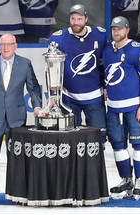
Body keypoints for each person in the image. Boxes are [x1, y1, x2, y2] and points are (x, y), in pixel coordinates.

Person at [0, 33, 42, 202]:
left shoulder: (25, 64)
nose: (5, 47)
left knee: (17, 158)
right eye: (2, 44)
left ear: (15, 46)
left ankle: (17, 191)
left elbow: (33, 88)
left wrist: (37, 106)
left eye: (9, 44)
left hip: (17, 119)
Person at [102, 16, 140, 200]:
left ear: (127, 30)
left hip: (133, 107)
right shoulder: (107, 49)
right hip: (113, 108)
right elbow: (104, 71)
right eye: (114, 29)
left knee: (138, 144)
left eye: (119, 29)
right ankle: (126, 179)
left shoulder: (137, 50)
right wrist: (105, 87)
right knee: (118, 146)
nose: (116, 32)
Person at [49, 4, 107, 145]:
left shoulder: (100, 35)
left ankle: (96, 167)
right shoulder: (58, 39)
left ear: (86, 19)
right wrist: (52, 94)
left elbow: (105, 63)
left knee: (99, 139)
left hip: (94, 96)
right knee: (71, 140)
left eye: (79, 19)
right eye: (73, 19)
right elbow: (53, 69)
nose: (76, 22)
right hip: (69, 97)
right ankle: (75, 167)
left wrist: (106, 85)